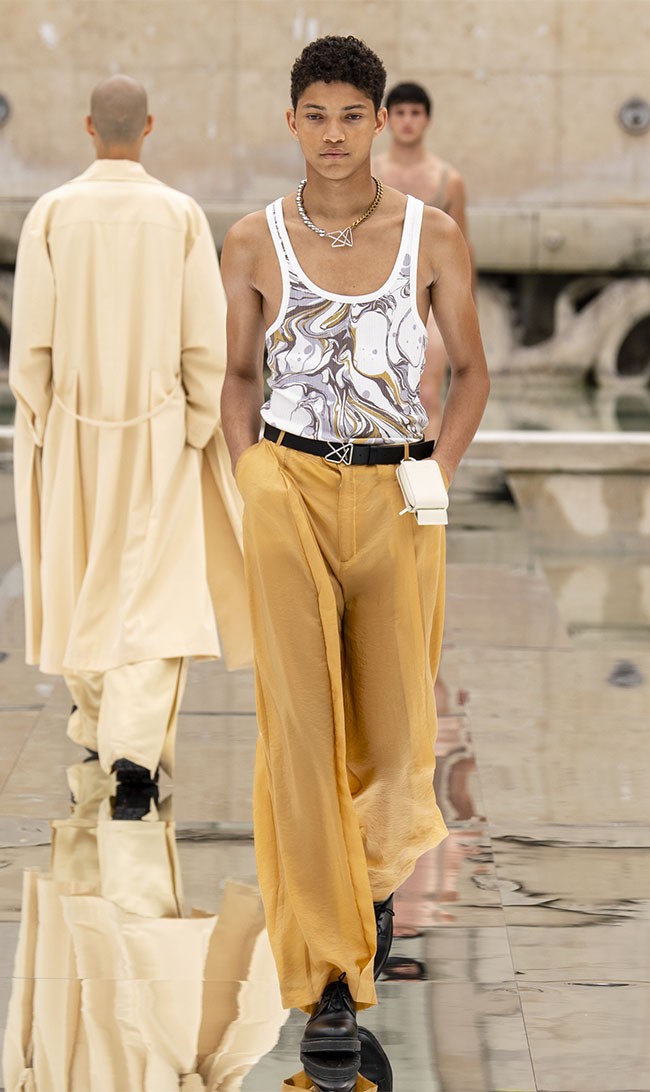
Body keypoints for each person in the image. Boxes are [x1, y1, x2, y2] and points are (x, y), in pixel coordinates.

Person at [220, 35, 489, 1092]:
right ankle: (330, 980)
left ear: (380, 121)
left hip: (395, 495)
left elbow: (470, 374)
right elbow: (238, 375)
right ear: (291, 121)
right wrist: (248, 477)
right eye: (314, 115)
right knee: (300, 728)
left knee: (394, 732)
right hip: (286, 485)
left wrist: (437, 474)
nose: (332, 135)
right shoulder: (252, 239)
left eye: (350, 116)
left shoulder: (431, 234)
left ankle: (368, 888)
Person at [10, 75, 227, 819]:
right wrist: (197, 424)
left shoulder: (51, 213)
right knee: (156, 584)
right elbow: (205, 339)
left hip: (72, 425)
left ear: (88, 126)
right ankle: (130, 742)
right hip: (160, 425)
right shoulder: (180, 214)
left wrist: (42, 423)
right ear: (149, 126)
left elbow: (29, 345)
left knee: (80, 574)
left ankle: (103, 721)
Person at [374, 81, 476, 439]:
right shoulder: (368, 175)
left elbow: (461, 247)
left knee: (428, 393)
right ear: (385, 119)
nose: (407, 121)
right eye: (400, 113)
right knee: (376, 392)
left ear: (427, 120)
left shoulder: (448, 180)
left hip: (432, 296)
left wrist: (468, 307)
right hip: (376, 292)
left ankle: (430, 472)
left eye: (415, 113)